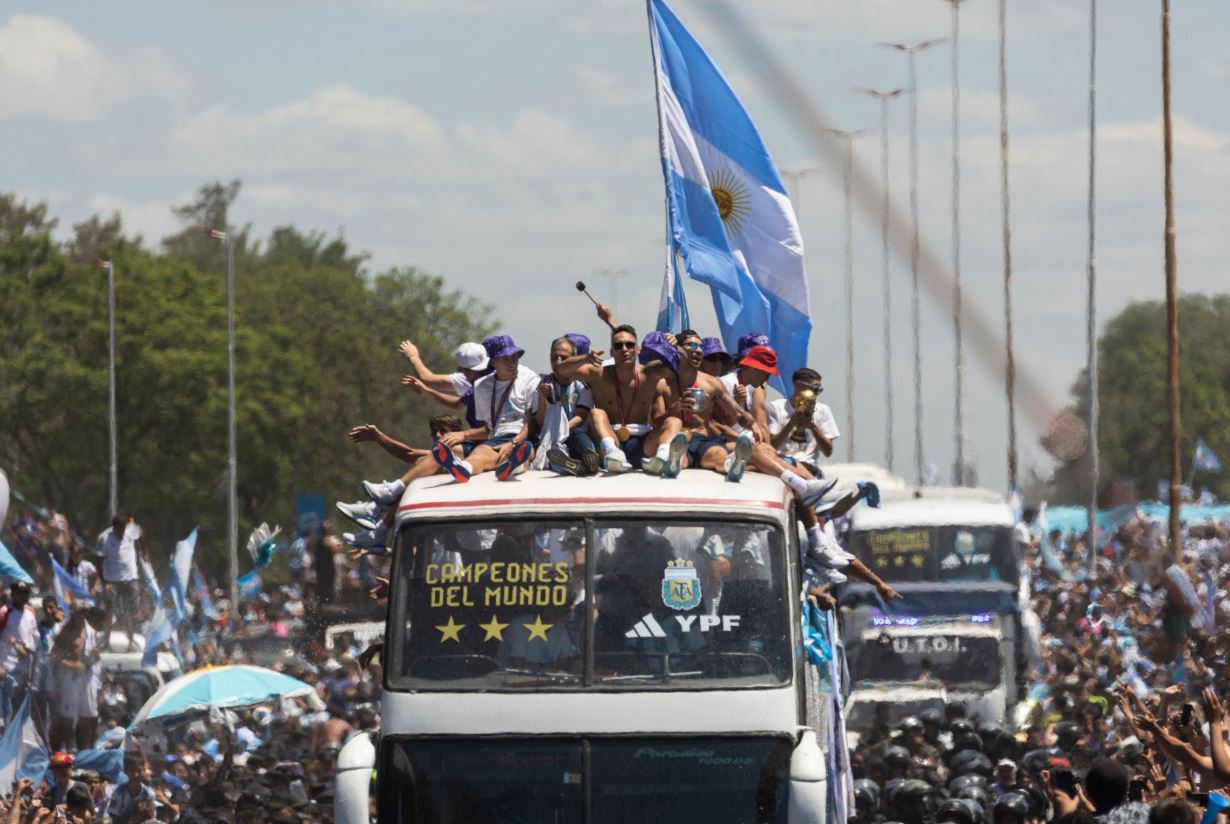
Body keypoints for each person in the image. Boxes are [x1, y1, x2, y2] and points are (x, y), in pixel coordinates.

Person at [555, 322, 682, 474]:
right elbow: (561, 369)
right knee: (596, 413)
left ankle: (662, 458)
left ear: (637, 350)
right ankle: (611, 455)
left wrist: (675, 348)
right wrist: (584, 358)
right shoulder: (599, 373)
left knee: (674, 421)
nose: (624, 349)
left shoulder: (650, 374)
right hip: (612, 442)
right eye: (618, 346)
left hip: (644, 446)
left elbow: (678, 365)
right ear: (611, 351)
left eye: (629, 345)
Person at [430, 335, 539, 483]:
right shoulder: (481, 386)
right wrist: (463, 435)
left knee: (523, 449)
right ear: (493, 362)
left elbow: (532, 422)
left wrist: (513, 442)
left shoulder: (531, 379)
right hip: (498, 437)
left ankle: (511, 465)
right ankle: (467, 468)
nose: (512, 362)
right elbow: (488, 429)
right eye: (505, 359)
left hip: (525, 436)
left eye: (514, 356)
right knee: (481, 451)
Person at [536, 335, 600, 476]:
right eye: (554, 357)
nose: (558, 363)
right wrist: (542, 399)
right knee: (553, 452)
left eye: (564, 358)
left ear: (573, 360)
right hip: (551, 437)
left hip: (574, 434)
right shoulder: (542, 383)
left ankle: (591, 459)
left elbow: (580, 416)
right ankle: (575, 466)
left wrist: (562, 431)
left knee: (576, 434)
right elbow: (540, 423)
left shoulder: (583, 385)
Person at [767, 367, 840, 477]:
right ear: (798, 385)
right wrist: (790, 425)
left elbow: (828, 451)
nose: (816, 394)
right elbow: (771, 446)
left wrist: (812, 426)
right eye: (814, 388)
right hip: (783, 466)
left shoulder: (822, 410)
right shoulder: (776, 408)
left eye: (819, 390)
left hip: (809, 467)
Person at [94, 516, 147, 651]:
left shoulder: (130, 531)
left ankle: (130, 642)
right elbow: (99, 561)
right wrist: (104, 581)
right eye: (118, 530)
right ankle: (106, 642)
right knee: (109, 612)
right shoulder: (104, 538)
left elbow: (141, 534)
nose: (121, 533)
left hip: (130, 579)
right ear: (113, 528)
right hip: (111, 581)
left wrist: (144, 551)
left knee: (130, 612)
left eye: (123, 529)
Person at [398, 338, 489, 399]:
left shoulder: (470, 377)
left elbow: (428, 379)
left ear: (463, 369)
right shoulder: (498, 372)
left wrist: (413, 356)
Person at [0, 581, 38, 724]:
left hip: (24, 668)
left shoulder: (31, 613)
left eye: (26, 593)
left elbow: (33, 640)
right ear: (13, 594)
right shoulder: (5, 612)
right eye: (20, 593)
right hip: (7, 667)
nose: (24, 596)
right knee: (6, 709)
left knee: (19, 710)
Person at [30, 596, 63, 738]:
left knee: (57, 716)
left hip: (56, 681)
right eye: (46, 608)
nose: (48, 611)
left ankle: (56, 745)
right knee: (40, 716)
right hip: (39, 681)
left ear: (56, 609)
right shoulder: (35, 629)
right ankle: (43, 744)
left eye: (51, 607)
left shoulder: (60, 628)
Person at [103, 754, 156, 823]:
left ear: (144, 770)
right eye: (132, 770)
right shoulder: (115, 792)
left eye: (139, 770)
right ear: (125, 771)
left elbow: (150, 818)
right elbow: (112, 817)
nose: (135, 774)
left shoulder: (148, 794)